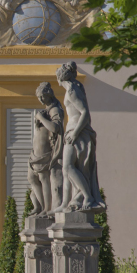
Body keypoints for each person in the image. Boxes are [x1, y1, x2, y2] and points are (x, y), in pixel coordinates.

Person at [53, 61, 105, 212]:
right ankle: (68, 202)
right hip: (74, 132)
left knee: (68, 167)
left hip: (78, 133)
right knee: (67, 169)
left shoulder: (71, 91)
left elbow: (84, 113)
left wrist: (75, 133)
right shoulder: (74, 88)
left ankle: (87, 196)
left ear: (60, 78)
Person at [28, 82, 65, 216]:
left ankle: (46, 208)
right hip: (36, 153)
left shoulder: (55, 110)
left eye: (42, 96)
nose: (40, 99)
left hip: (46, 153)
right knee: (31, 178)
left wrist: (41, 118)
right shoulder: (47, 110)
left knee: (44, 179)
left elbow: (55, 128)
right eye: (38, 97)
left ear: (49, 94)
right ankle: (39, 206)